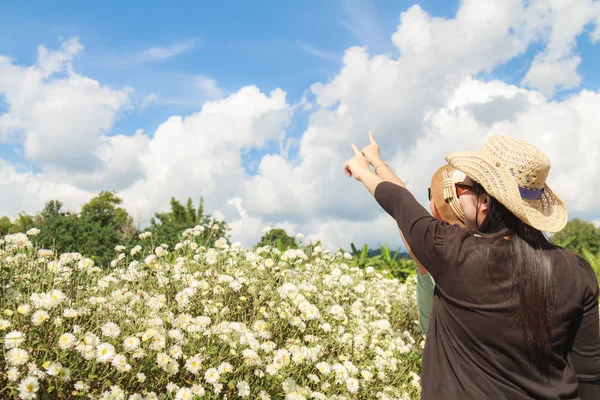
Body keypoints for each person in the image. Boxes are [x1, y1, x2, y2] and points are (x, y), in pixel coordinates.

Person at [345, 133, 600, 399]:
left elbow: (401, 204)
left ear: (485, 202)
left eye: (462, 188)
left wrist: (364, 169)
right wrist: (375, 161)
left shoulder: (455, 253)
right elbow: (589, 373)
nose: (457, 195)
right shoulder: (578, 271)